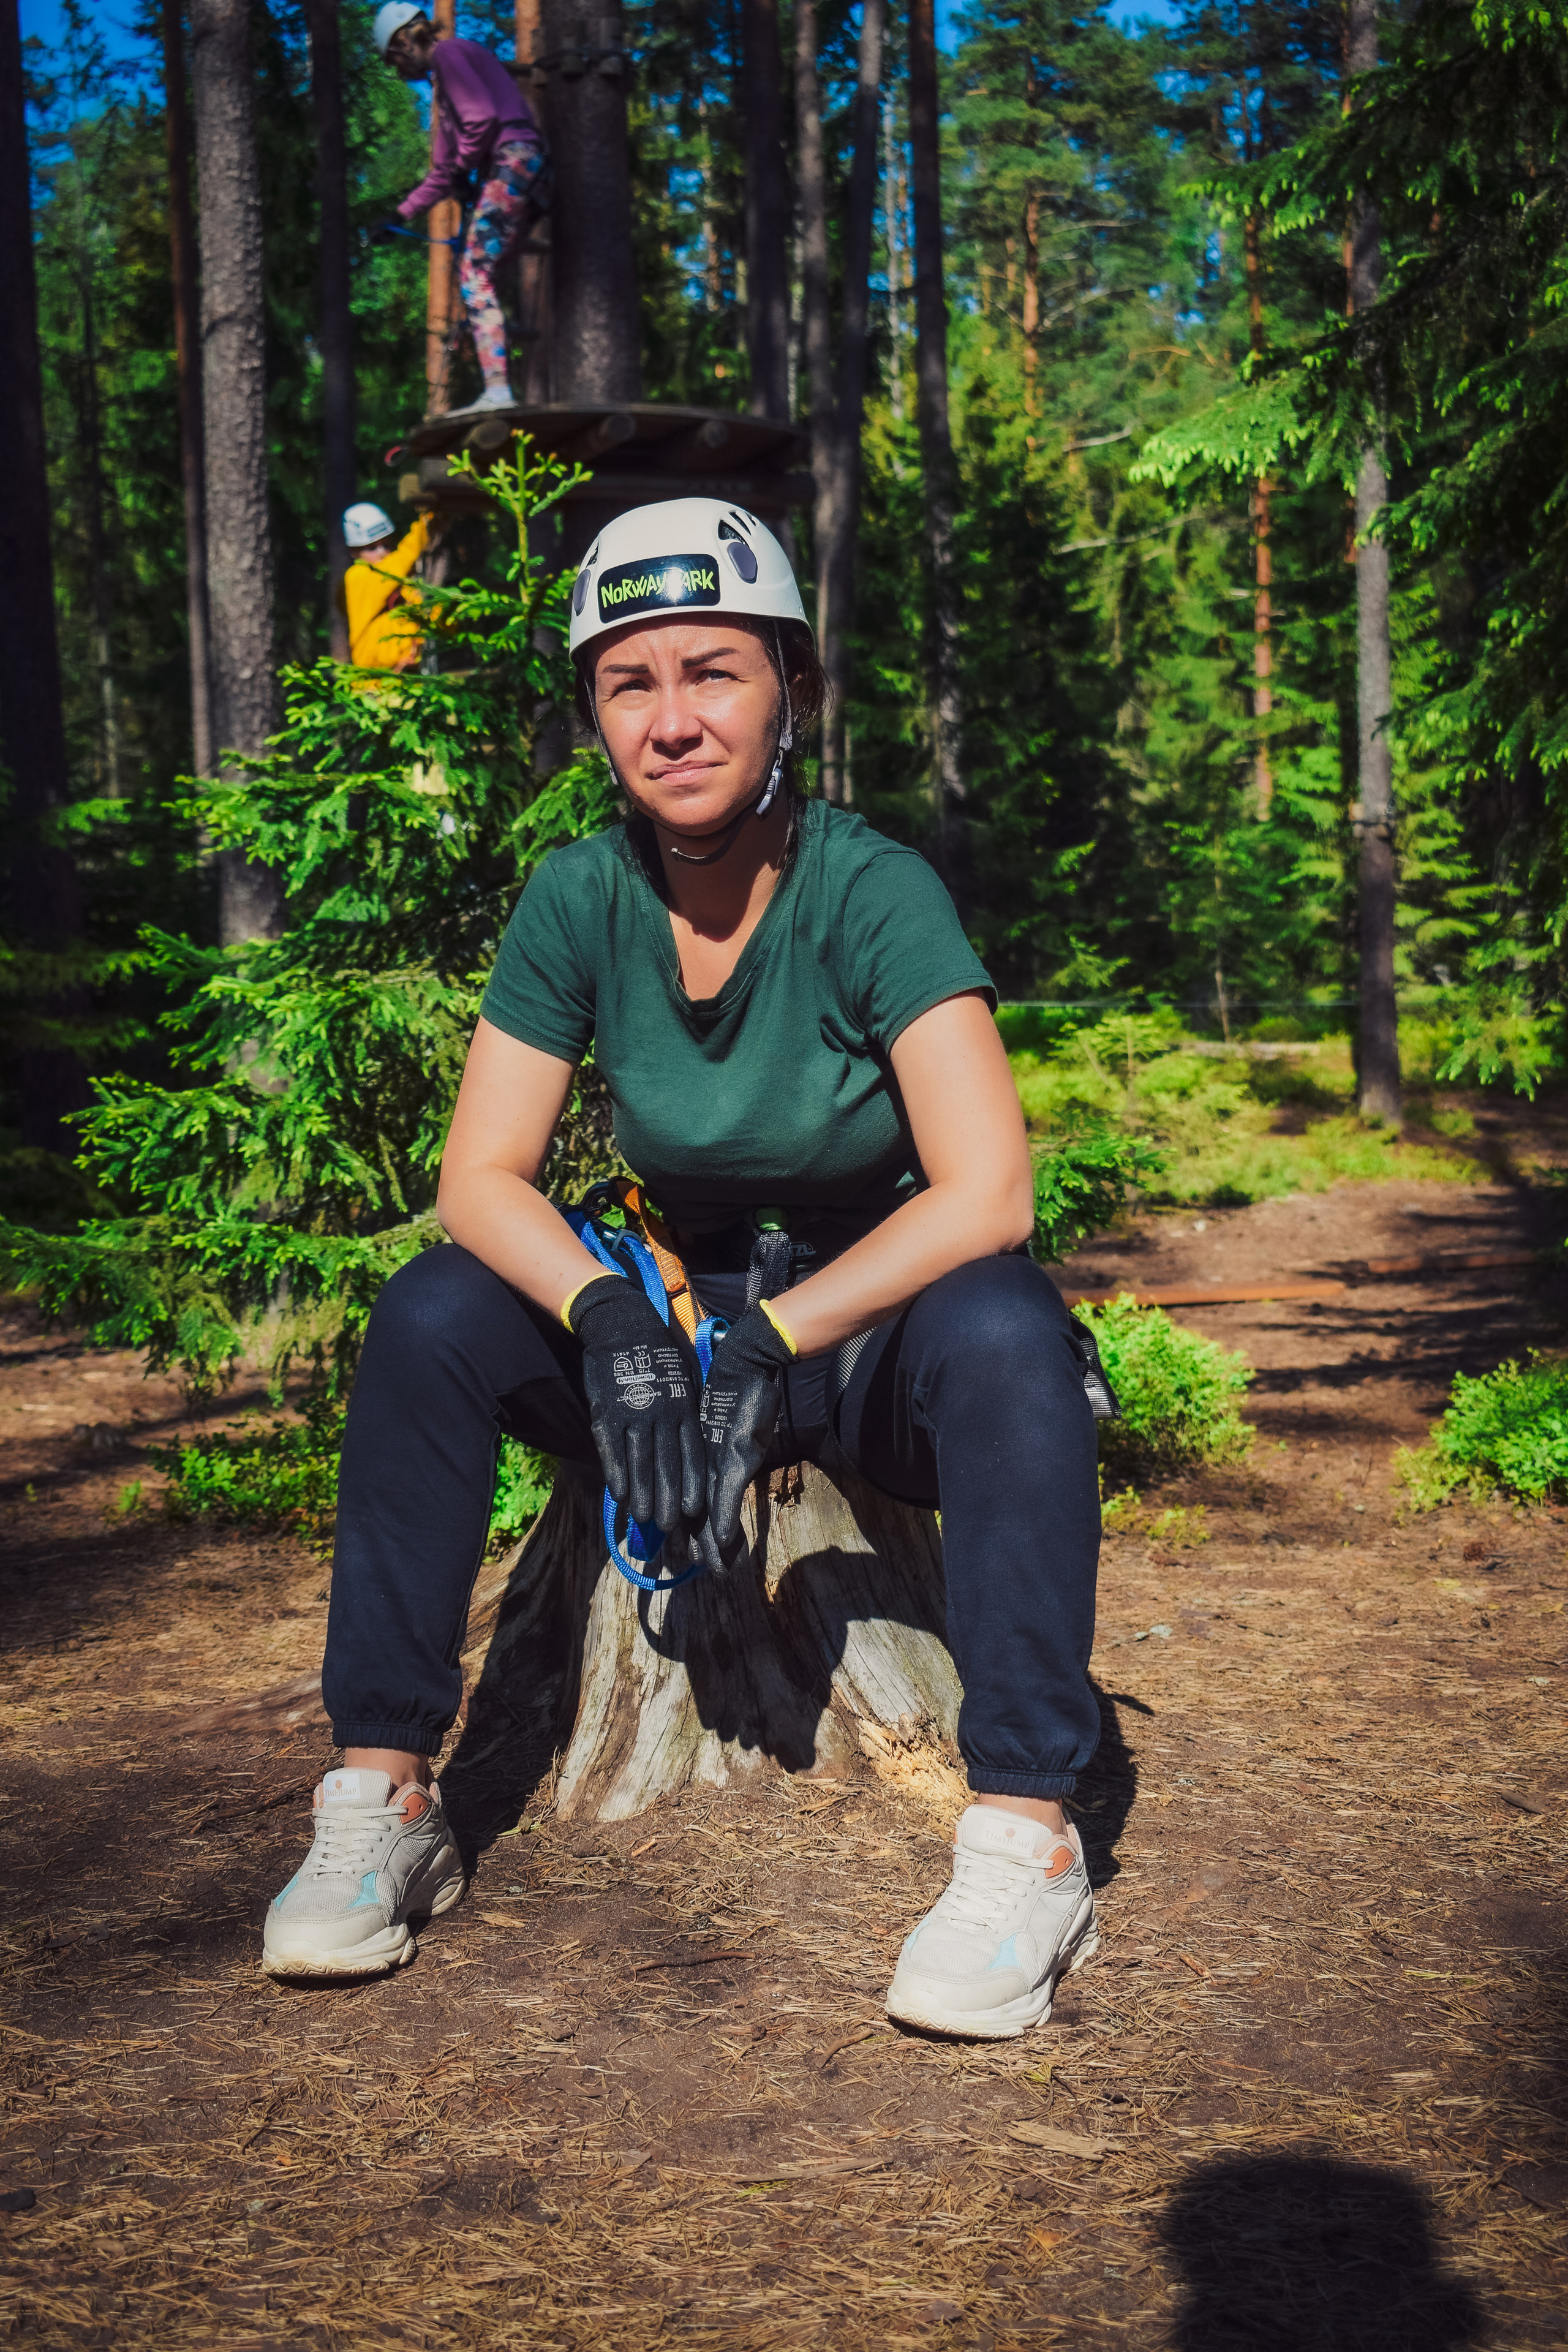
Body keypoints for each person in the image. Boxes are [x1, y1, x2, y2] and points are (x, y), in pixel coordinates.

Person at [261, 497, 1106, 2043]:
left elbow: (987, 1188)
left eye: (710, 670)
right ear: (592, 715)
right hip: (670, 1314)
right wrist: (612, 1324)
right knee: (434, 1315)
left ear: (787, 679)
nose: (671, 719)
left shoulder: (869, 888)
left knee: (1004, 1327)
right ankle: (382, 1791)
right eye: (627, 683)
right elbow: (477, 1180)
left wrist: (767, 1339)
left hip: (854, 1323)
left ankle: (1026, 1828)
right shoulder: (580, 897)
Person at [373, 3, 545, 418]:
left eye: (394, 62)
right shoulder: (444, 87)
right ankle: (504, 386)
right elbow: (444, 170)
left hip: (513, 160)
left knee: (474, 275)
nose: (399, 73)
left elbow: (482, 120)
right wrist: (400, 215)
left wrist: (468, 168)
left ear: (402, 44)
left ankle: (500, 391)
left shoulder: (449, 55)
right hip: (524, 168)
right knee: (485, 275)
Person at [340, 502, 436, 672]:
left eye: (386, 545)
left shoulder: (400, 581)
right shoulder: (357, 577)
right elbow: (398, 563)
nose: (382, 552)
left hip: (405, 675)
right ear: (354, 552)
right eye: (372, 548)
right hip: (373, 684)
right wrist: (425, 525)